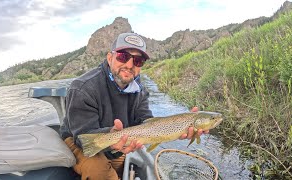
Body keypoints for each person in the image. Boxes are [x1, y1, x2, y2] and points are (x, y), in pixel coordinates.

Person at [60, 32, 208, 180]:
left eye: (137, 61)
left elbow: (145, 120)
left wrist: (178, 124)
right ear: (110, 57)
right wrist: (111, 138)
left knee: (118, 168)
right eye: (123, 57)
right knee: (101, 173)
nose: (129, 65)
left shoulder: (140, 90)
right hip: (78, 139)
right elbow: (82, 138)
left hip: (118, 139)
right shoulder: (82, 88)